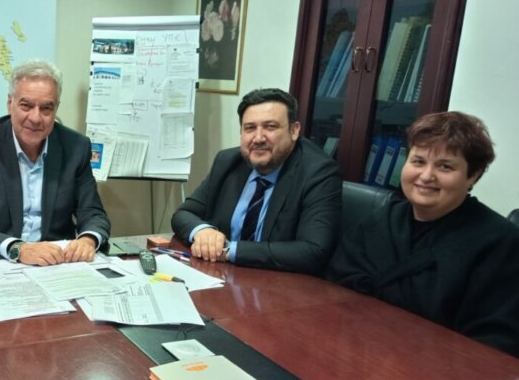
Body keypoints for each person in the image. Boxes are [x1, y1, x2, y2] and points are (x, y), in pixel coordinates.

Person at [328, 112, 519, 357]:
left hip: (438, 370)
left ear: (473, 176)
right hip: (361, 350)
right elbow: (337, 288)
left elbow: (495, 342)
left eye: (445, 166)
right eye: (418, 161)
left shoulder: (500, 242)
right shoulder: (381, 219)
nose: (426, 176)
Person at [0, 58, 110, 265]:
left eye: (46, 108)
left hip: (55, 264)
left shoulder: (75, 147)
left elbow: (93, 213)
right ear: (10, 104)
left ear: (56, 109)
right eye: (26, 105)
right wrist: (18, 249)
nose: (35, 118)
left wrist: (88, 239)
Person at [171, 88, 341, 273]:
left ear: (294, 131)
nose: (258, 138)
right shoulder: (228, 162)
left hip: (278, 283)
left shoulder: (317, 173)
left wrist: (228, 251)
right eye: (250, 128)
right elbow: (183, 213)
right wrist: (203, 231)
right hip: (223, 277)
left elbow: (313, 250)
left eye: (270, 127)